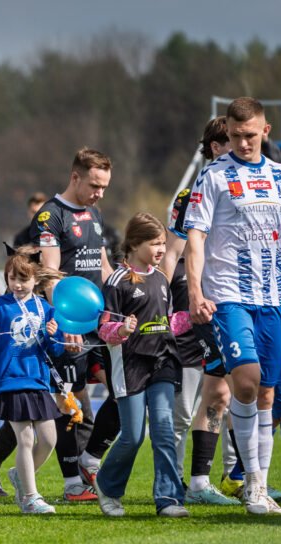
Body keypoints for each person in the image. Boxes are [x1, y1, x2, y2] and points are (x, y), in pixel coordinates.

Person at [0, 148, 117, 502]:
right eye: (94, 185)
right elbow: (50, 274)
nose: (99, 193)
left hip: (96, 322)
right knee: (66, 402)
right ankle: (72, 481)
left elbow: (103, 266)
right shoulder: (51, 215)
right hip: (66, 324)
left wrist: (121, 301)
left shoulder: (94, 213)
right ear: (75, 177)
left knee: (114, 392)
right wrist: (65, 320)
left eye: (104, 187)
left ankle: (84, 461)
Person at [184, 96, 281, 515]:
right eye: (235, 136)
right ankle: (251, 484)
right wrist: (195, 292)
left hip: (271, 297)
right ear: (226, 133)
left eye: (250, 135)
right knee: (245, 380)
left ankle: (257, 486)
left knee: (266, 392)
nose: (243, 143)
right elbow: (195, 237)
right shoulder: (212, 175)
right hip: (228, 295)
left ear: (265, 131)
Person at [159, 117, 239, 506]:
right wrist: (161, 303)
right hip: (196, 308)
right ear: (214, 147)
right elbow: (171, 254)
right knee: (190, 402)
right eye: (231, 141)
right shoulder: (191, 195)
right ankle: (175, 481)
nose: (241, 148)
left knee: (233, 394)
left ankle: (229, 477)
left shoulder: (248, 187)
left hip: (236, 303)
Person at [94, 213, 190, 518]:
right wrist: (121, 330)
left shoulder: (161, 279)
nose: (161, 249)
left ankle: (169, 499)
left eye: (163, 243)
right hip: (130, 365)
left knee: (163, 431)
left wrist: (192, 317)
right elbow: (104, 328)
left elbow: (167, 321)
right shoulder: (117, 282)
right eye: (155, 243)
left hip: (163, 362)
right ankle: (107, 486)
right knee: (133, 436)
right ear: (135, 244)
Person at [0, 249, 78, 514]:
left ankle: (20, 475)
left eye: (23, 279)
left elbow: (56, 350)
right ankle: (30, 497)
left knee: (49, 439)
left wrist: (53, 335)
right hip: (10, 381)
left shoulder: (46, 309)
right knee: (26, 439)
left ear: (36, 280)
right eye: (12, 278)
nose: (17, 284)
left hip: (39, 381)